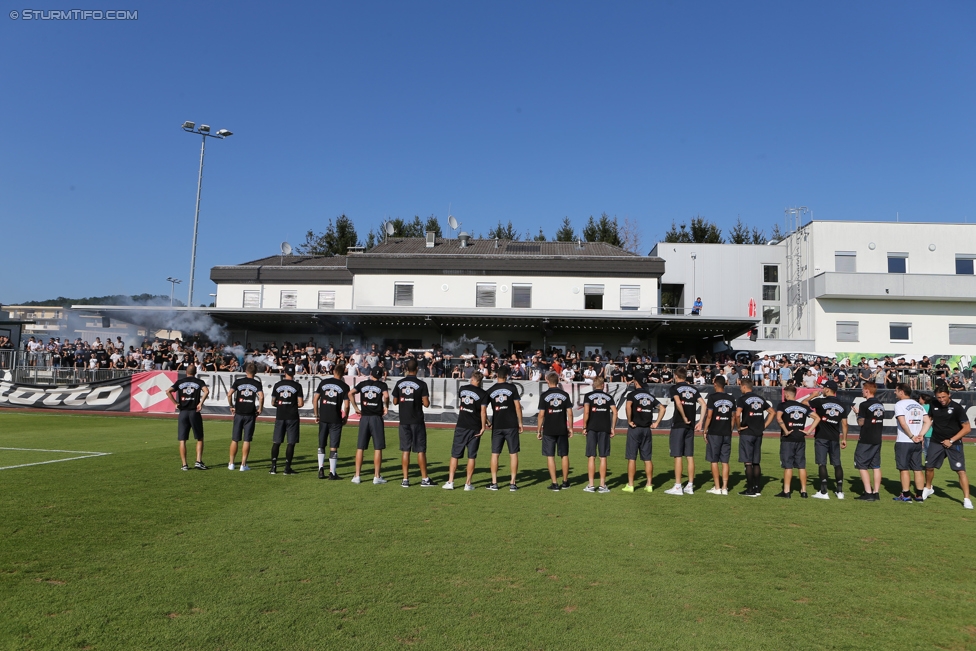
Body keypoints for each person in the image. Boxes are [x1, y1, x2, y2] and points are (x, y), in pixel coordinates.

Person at [923, 387, 972, 509]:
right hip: (936, 441)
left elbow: (967, 428)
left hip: (954, 443)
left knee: (960, 471)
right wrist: (921, 435)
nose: (941, 400)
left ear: (949, 395)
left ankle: (967, 499)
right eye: (939, 397)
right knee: (928, 467)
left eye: (943, 397)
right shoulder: (933, 404)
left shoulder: (957, 408)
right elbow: (929, 421)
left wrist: (951, 440)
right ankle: (928, 488)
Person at [391, 358, 436, 487]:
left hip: (404, 420)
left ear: (406, 369)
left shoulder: (399, 383)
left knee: (406, 450)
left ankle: (405, 480)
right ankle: (424, 479)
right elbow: (426, 404)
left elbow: (394, 402)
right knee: (420, 450)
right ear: (417, 369)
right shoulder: (421, 384)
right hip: (417, 420)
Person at [665, 368, 707, 496]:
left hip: (679, 424)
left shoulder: (675, 388)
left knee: (678, 455)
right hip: (691, 426)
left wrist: (683, 416)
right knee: (689, 455)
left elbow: (678, 402)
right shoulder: (693, 389)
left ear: (677, 376)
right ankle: (690, 485)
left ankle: (678, 486)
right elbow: (703, 404)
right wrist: (700, 421)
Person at [620, 373, 665, 494]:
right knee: (647, 458)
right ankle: (649, 484)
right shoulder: (650, 396)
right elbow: (662, 408)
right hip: (647, 430)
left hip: (635, 429)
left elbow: (628, 406)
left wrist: (629, 420)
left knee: (631, 458)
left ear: (636, 382)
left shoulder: (632, 394)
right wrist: (656, 423)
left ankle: (630, 485)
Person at [444, 371, 488, 490]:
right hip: (475, 427)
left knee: (455, 455)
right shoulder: (483, 394)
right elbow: (482, 411)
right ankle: (468, 484)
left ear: (473, 378)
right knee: (471, 456)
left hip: (462, 425)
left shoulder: (463, 389)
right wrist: (484, 426)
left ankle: (450, 482)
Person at [807, 381, 850, 500]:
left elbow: (803, 404)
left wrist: (813, 395)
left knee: (822, 463)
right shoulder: (842, 404)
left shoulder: (820, 401)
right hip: (835, 437)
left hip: (821, 436)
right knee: (837, 464)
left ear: (828, 389)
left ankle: (824, 491)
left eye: (824, 388)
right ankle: (840, 491)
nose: (822, 390)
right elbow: (845, 424)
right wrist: (844, 439)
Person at [165, 364, 210, 471]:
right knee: (199, 438)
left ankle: (184, 465)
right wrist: (200, 403)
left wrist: (175, 403)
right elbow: (206, 391)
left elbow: (168, 391)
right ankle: (198, 461)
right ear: (195, 373)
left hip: (183, 412)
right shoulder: (198, 381)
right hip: (194, 412)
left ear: (186, 372)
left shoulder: (180, 382)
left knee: (182, 439)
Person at [350, 365, 390, 485]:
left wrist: (356, 408)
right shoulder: (382, 385)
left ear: (371, 373)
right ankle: (376, 476)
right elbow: (386, 396)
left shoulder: (363, 384)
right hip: (376, 418)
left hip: (364, 417)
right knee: (377, 447)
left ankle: (357, 475)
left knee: (360, 447)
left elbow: (350, 393)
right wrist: (386, 406)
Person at [735, 378, 775, 497]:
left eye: (740, 386)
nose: (740, 388)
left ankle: (750, 489)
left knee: (748, 462)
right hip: (758, 433)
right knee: (756, 461)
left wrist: (738, 427)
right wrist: (764, 426)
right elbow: (772, 412)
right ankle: (757, 488)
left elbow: (737, 415)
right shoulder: (760, 399)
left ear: (744, 386)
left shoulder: (742, 399)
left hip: (747, 432)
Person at [487, 365, 524, 492]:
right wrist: (520, 423)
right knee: (513, 454)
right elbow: (518, 407)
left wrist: (487, 421)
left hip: (497, 425)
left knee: (495, 454)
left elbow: (481, 408)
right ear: (507, 375)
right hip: (511, 425)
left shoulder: (491, 390)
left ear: (497, 375)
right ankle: (512, 483)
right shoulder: (512, 387)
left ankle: (494, 482)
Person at [537, 371, 574, 491]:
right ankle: (565, 481)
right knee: (564, 455)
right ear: (558, 381)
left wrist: (538, 430)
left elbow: (541, 415)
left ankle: (554, 483)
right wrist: (571, 427)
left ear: (547, 380)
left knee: (550, 456)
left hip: (549, 429)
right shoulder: (565, 394)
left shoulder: (544, 395)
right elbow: (569, 412)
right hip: (562, 428)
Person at [313, 362, 350, 480]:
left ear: (333, 371)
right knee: (333, 446)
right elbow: (347, 405)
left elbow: (315, 400)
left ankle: (320, 469)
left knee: (321, 444)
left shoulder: (323, 382)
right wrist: (346, 417)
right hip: (335, 418)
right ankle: (332, 473)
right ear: (343, 372)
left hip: (323, 417)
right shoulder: (344, 386)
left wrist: (316, 415)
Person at [892, 384, 929, 502]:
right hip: (917, 442)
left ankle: (906, 495)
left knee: (904, 468)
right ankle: (919, 495)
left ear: (902, 392)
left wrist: (912, 436)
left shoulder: (899, 404)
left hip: (904, 440)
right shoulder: (918, 405)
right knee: (917, 468)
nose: (894, 392)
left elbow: (903, 423)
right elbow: (928, 422)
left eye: (896, 390)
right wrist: (921, 435)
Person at [774, 385, 812, 498]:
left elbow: (778, 417)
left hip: (788, 439)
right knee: (801, 466)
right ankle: (804, 491)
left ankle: (786, 491)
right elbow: (817, 418)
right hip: (800, 438)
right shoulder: (802, 406)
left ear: (786, 394)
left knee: (788, 466)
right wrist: (808, 431)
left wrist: (785, 430)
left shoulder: (783, 405)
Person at [582, 377, 618, 493]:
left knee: (591, 456)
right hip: (604, 428)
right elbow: (615, 412)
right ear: (603, 385)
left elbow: (586, 412)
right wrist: (613, 427)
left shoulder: (588, 396)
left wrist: (584, 426)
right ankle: (602, 485)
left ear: (593, 385)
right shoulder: (609, 397)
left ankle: (591, 485)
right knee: (603, 457)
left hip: (592, 428)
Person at [703, 375, 737, 495]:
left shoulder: (712, 397)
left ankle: (717, 487)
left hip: (714, 432)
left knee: (714, 460)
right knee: (725, 461)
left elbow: (709, 415)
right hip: (726, 432)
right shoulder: (731, 398)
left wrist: (705, 430)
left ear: (716, 384)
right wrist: (730, 429)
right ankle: (724, 488)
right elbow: (733, 417)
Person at [227, 362, 263, 471]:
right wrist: (260, 408)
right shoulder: (257, 383)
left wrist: (231, 406)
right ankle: (243, 464)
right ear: (255, 372)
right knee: (247, 439)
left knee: (235, 439)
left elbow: (229, 394)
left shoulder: (238, 381)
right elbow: (261, 397)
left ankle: (231, 463)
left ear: (246, 371)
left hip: (239, 413)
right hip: (250, 414)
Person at [269, 364, 303, 475]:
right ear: (294, 373)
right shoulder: (297, 386)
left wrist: (282, 405)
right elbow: (301, 403)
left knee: (277, 442)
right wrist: (291, 405)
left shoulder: (277, 385)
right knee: (291, 442)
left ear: (285, 372)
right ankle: (287, 468)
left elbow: (273, 402)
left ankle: (273, 467)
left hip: (280, 415)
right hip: (292, 416)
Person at [854, 381, 885, 501]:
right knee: (876, 465)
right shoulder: (880, 404)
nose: (862, 391)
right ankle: (876, 492)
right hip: (877, 437)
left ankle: (868, 492)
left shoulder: (864, 404)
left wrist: (857, 414)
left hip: (866, 438)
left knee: (861, 464)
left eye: (863, 389)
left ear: (867, 390)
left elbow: (861, 423)